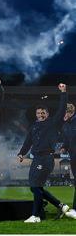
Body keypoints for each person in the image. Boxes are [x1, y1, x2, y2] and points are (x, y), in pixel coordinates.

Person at [18, 83, 74, 223]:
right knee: (35, 187)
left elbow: (61, 110)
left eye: (43, 113)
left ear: (47, 114)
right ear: (36, 115)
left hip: (46, 159)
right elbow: (27, 142)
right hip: (36, 159)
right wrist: (21, 153)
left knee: (35, 186)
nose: (41, 115)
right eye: (39, 113)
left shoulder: (53, 123)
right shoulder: (34, 126)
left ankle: (36, 216)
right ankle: (61, 206)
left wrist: (63, 93)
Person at [61, 103, 76, 217]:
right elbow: (66, 140)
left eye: (65, 112)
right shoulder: (66, 125)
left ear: (70, 112)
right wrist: (64, 147)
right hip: (73, 155)